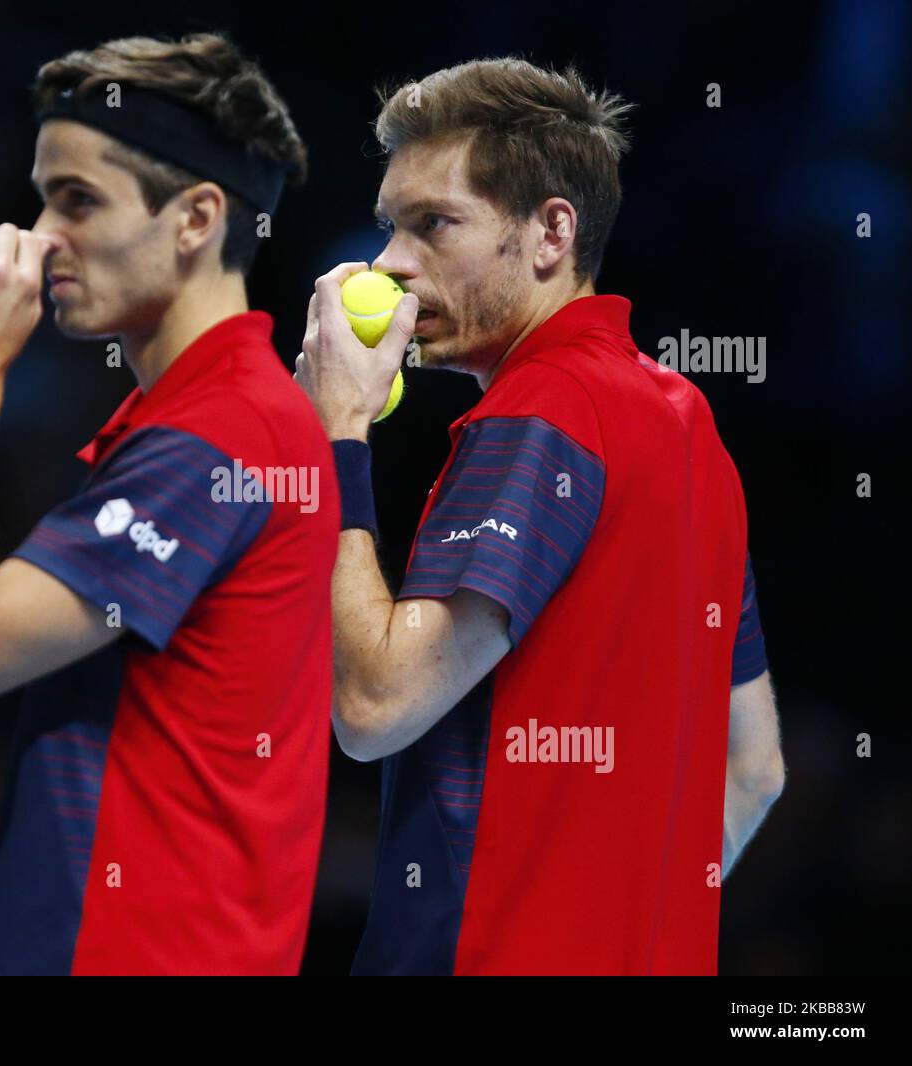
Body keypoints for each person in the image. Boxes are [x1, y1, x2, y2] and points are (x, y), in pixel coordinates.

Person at [293, 57, 784, 975]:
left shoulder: (541, 410)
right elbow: (755, 771)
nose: (390, 263)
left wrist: (335, 432)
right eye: (390, 226)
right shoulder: (690, 429)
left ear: (550, 231)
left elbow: (374, 703)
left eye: (433, 223)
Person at [0, 33, 336, 975]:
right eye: (44, 195)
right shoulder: (218, 421)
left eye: (79, 200)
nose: (44, 235)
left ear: (196, 218)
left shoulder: (222, 436)